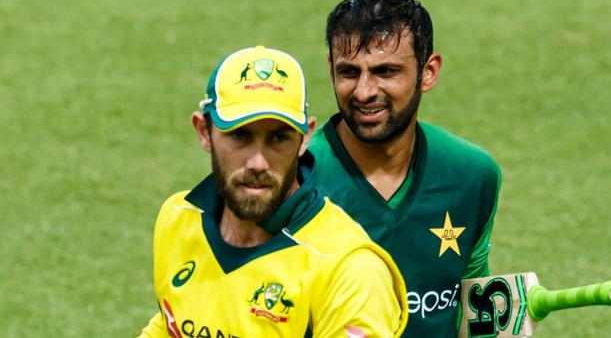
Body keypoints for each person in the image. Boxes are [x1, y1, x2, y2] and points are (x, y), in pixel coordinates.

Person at [138, 46, 408, 338]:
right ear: (204, 131)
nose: (258, 162)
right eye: (240, 135)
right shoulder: (179, 219)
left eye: (279, 138)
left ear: (304, 138)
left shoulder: (349, 270)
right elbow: (170, 324)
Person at [308, 0, 502, 337]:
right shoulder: (296, 176)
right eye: (349, 72)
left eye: (386, 71)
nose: (364, 91)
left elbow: (475, 313)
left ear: (428, 72)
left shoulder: (472, 175)